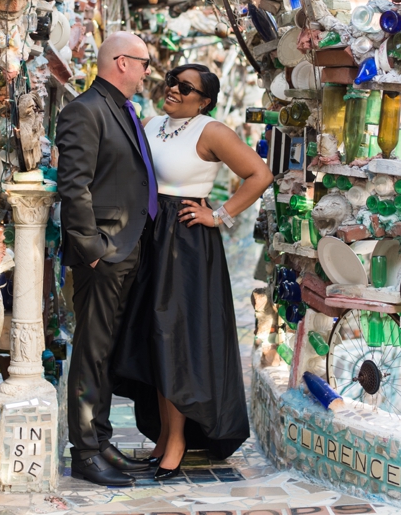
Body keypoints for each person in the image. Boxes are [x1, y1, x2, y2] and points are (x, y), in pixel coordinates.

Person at [113, 63, 272, 480]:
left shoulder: (212, 131)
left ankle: (178, 442)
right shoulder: (153, 123)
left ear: (204, 100)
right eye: (172, 81)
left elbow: (260, 174)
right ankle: (166, 436)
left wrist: (219, 215)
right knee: (153, 338)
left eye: (186, 87)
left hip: (184, 241)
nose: (174, 90)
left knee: (175, 341)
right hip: (151, 236)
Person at [56, 32, 158, 485]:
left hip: (128, 247)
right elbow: (73, 186)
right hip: (104, 252)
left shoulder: (123, 109)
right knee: (91, 353)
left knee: (106, 351)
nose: (148, 71)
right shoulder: (84, 110)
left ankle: (100, 439)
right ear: (121, 62)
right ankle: (84, 453)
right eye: (144, 63)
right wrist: (93, 249)